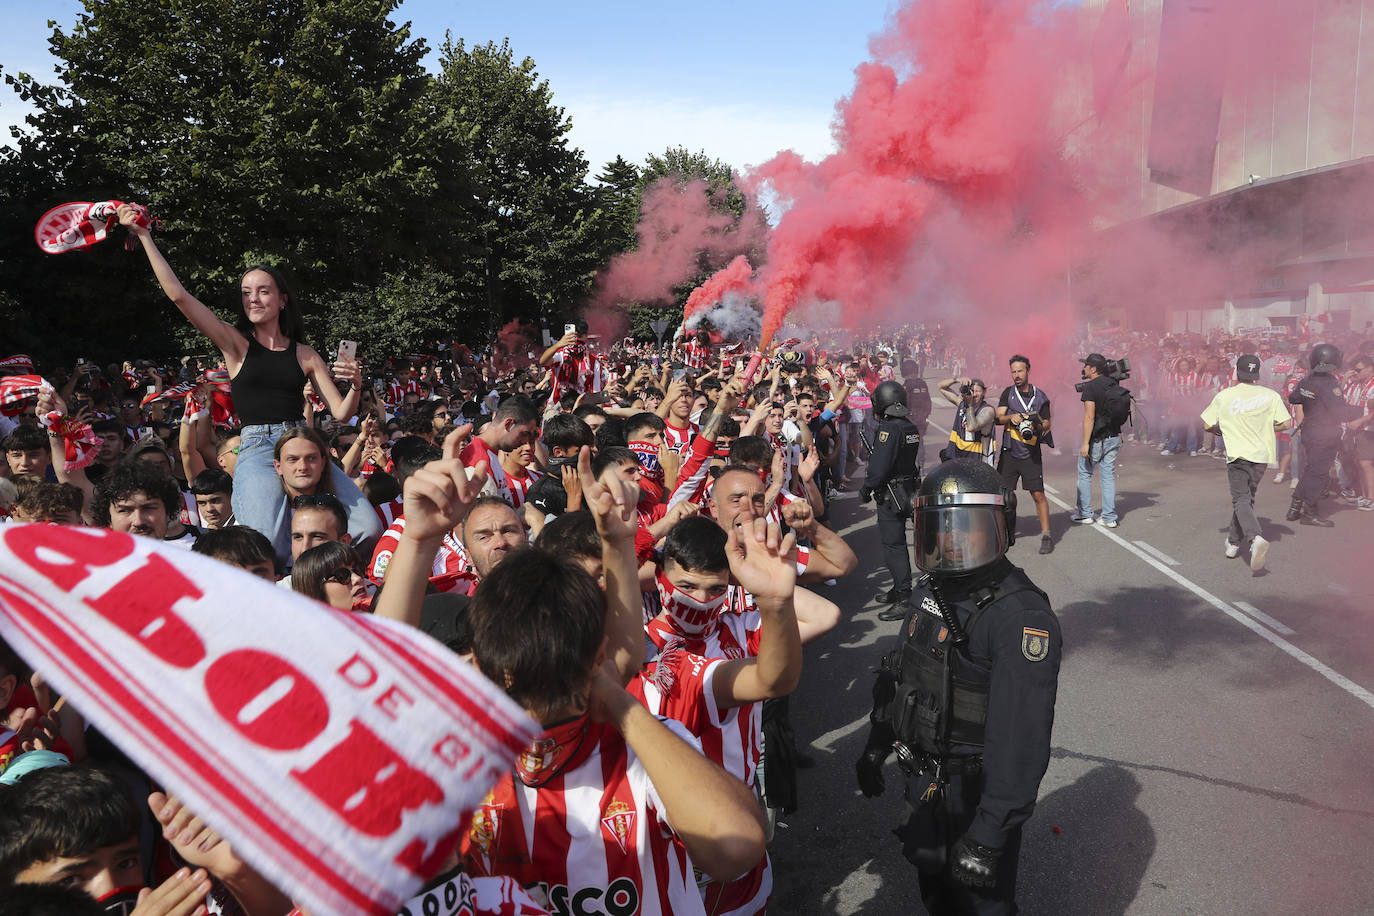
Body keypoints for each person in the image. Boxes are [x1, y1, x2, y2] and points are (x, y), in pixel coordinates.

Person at [856, 459, 1061, 915]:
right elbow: (900, 671)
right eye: (940, 526)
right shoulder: (932, 588)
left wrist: (990, 836)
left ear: (1000, 524)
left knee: (983, 906)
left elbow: (1020, 740)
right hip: (925, 782)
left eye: (966, 526)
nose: (952, 539)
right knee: (936, 894)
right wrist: (876, 743)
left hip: (975, 794)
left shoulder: (1017, 617)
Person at [117, 204, 380, 558]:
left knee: (367, 528)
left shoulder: (306, 353)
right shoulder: (235, 345)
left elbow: (342, 413)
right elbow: (179, 296)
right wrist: (145, 237)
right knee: (264, 544)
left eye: (263, 291)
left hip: (302, 444)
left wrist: (357, 386)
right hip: (256, 449)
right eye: (246, 292)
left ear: (283, 299)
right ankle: (289, 588)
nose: (253, 298)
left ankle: (321, 577)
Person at [1201, 355, 1292, 570]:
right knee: (1246, 499)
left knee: (1241, 499)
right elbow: (1286, 423)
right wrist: (1266, 429)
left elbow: (1206, 425)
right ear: (1257, 373)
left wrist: (1219, 430)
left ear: (1236, 371)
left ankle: (1254, 538)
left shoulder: (1225, 395)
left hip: (1238, 454)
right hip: (1261, 455)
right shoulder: (1271, 395)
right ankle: (1233, 543)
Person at [860, 380, 922, 616]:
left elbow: (879, 466)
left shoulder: (888, 429)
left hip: (891, 495)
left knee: (893, 545)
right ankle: (899, 589)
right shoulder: (910, 426)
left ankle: (904, 596)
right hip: (909, 489)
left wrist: (866, 488)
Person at [1287, 343, 1363, 527]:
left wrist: (1312, 401)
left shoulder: (1307, 380)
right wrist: (1360, 410)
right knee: (1319, 473)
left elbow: (1293, 398)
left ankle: (1295, 506)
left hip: (1309, 431)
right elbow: (1341, 413)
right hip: (1324, 434)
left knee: (1311, 469)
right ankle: (1309, 513)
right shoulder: (1329, 384)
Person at [994, 355, 1054, 554]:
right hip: (1010, 452)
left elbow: (1047, 424)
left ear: (1028, 371)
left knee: (1038, 494)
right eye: (1013, 371)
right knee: (1004, 496)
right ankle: (1004, 533)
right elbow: (998, 418)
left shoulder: (1040, 396)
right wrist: (1011, 417)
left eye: (1020, 371)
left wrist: (1036, 421)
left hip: (1031, 453)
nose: (1016, 375)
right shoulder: (1007, 393)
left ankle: (1046, 535)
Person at [1074, 353, 1123, 528]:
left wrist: (1085, 442)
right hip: (1113, 437)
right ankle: (1109, 517)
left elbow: (1089, 417)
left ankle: (1085, 513)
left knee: (1085, 474)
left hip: (1096, 439)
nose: (1084, 368)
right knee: (1108, 477)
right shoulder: (1113, 383)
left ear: (1093, 369)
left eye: (1087, 365)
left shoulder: (1090, 387)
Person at [937, 377, 997, 465]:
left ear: (984, 392)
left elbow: (972, 427)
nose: (974, 394)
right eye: (972, 391)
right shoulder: (962, 403)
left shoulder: (988, 410)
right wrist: (956, 379)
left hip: (976, 459)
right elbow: (941, 387)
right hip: (957, 455)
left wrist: (969, 404)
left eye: (978, 391)